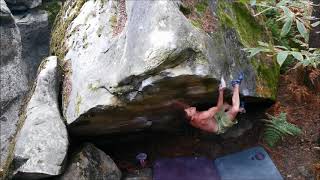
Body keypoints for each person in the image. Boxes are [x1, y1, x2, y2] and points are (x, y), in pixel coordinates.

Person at [173, 73, 245, 134]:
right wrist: (221, 91)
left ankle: (241, 109)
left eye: (188, 109)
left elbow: (186, 109)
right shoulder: (202, 116)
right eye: (190, 111)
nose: (190, 108)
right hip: (220, 125)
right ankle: (236, 84)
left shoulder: (189, 118)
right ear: (192, 117)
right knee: (234, 109)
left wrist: (176, 101)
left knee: (225, 105)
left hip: (214, 117)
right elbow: (218, 107)